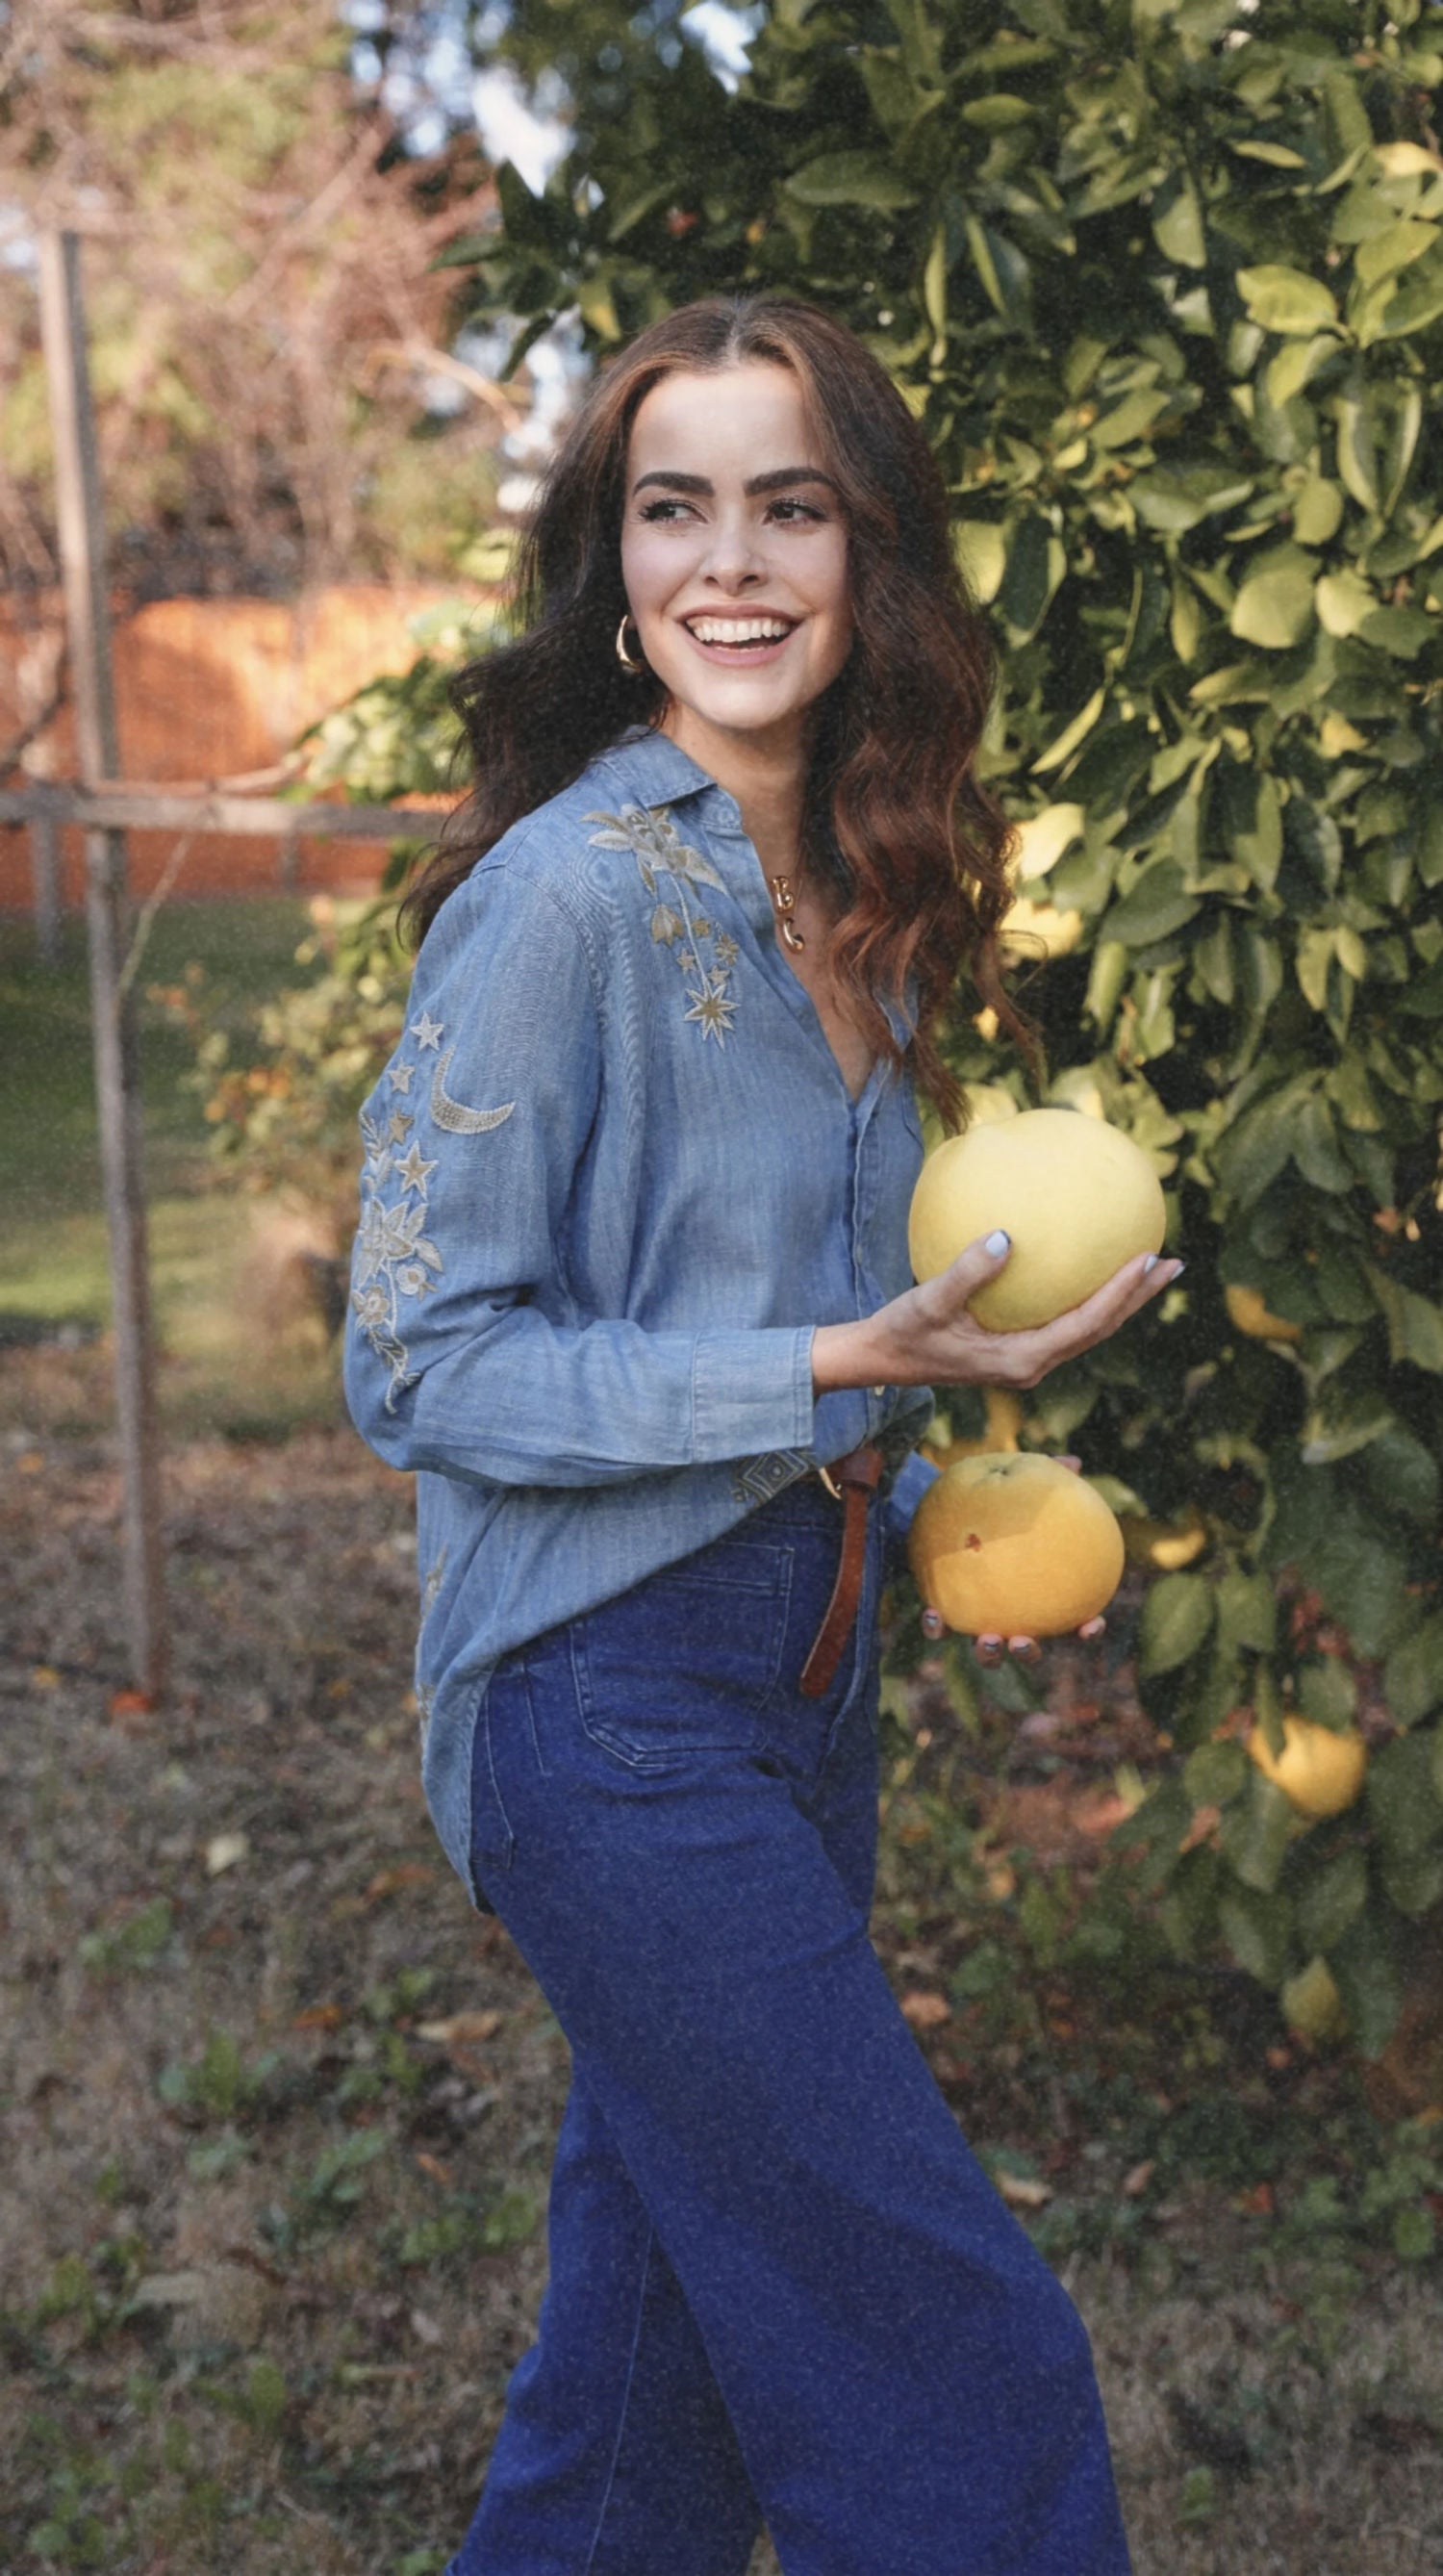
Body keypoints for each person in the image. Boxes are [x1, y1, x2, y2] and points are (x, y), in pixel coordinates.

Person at [344, 293, 1176, 2576]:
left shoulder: (867, 895)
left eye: (787, 507)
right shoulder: (562, 902)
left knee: (649, 2397)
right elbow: (415, 1362)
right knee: (956, 2364)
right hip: (599, 1705)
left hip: (803, 1686)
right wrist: (824, 1370)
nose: (729, 561)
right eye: (673, 507)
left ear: (863, 552)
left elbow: (834, 1317)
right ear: (615, 566)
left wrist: (953, 1473)